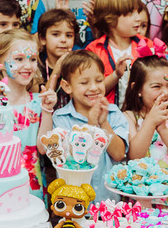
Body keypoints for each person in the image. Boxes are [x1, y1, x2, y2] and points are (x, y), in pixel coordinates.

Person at [0, 29, 59, 195]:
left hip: (30, 190)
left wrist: (47, 110)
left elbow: (43, 149)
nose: (28, 66)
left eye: (33, 59)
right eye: (19, 59)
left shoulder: (38, 103)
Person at [49, 50, 130, 191]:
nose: (93, 87)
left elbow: (118, 154)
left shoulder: (113, 113)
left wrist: (103, 123)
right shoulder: (61, 118)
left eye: (99, 80)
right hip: (74, 198)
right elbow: (69, 161)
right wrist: (91, 126)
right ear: (67, 86)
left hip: (108, 198)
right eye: (84, 82)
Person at [85, 0, 164, 104]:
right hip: (107, 112)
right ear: (110, 19)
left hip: (140, 112)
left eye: (138, 12)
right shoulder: (95, 49)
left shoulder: (147, 45)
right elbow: (92, 91)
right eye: (131, 13)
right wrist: (116, 75)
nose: (138, 18)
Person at [121, 55, 168, 169]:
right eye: (156, 86)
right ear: (137, 89)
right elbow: (135, 157)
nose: (165, 92)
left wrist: (163, 129)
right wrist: (151, 122)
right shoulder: (129, 117)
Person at [36, 8, 78, 85]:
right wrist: (56, 71)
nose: (63, 40)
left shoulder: (80, 64)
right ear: (43, 39)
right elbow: (40, 93)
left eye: (69, 35)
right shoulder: (36, 67)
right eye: (56, 34)